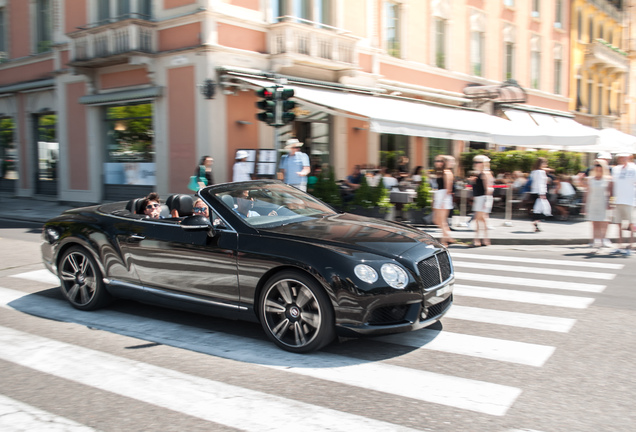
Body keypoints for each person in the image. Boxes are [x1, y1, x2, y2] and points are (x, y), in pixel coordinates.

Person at [583, 159, 612, 251]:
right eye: (597, 169)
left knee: (604, 223)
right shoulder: (590, 180)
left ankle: (603, 239)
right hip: (593, 203)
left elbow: (610, 193)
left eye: (600, 169)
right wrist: (584, 205)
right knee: (594, 223)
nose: (598, 171)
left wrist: (610, 203)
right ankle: (595, 240)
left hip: (603, 202)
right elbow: (587, 192)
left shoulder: (608, 179)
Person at [610, 152, 636, 256]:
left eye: (624, 157)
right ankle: (619, 245)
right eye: (620, 157)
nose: (622, 159)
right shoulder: (616, 169)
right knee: (618, 224)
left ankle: (630, 245)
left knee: (631, 224)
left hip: (630, 200)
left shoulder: (634, 168)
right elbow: (613, 184)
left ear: (629, 157)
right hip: (618, 200)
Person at [471, 155, 494, 247]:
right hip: (480, 198)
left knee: (478, 219)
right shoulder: (481, 173)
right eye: (476, 162)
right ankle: (485, 240)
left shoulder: (485, 173)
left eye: (479, 162)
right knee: (482, 220)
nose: (476, 164)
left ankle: (476, 240)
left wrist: (485, 201)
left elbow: (488, 188)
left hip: (482, 198)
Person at [433, 155, 455, 246]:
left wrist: (442, 201)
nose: (437, 163)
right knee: (436, 220)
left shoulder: (447, 172)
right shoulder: (440, 173)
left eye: (439, 161)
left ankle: (444, 241)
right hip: (439, 196)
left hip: (444, 197)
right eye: (436, 161)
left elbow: (448, 189)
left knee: (442, 220)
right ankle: (448, 237)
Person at [529, 157, 550, 232]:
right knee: (541, 209)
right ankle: (535, 222)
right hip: (540, 192)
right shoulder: (541, 172)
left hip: (534, 191)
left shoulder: (534, 172)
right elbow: (541, 183)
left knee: (537, 208)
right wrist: (542, 193)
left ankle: (536, 225)